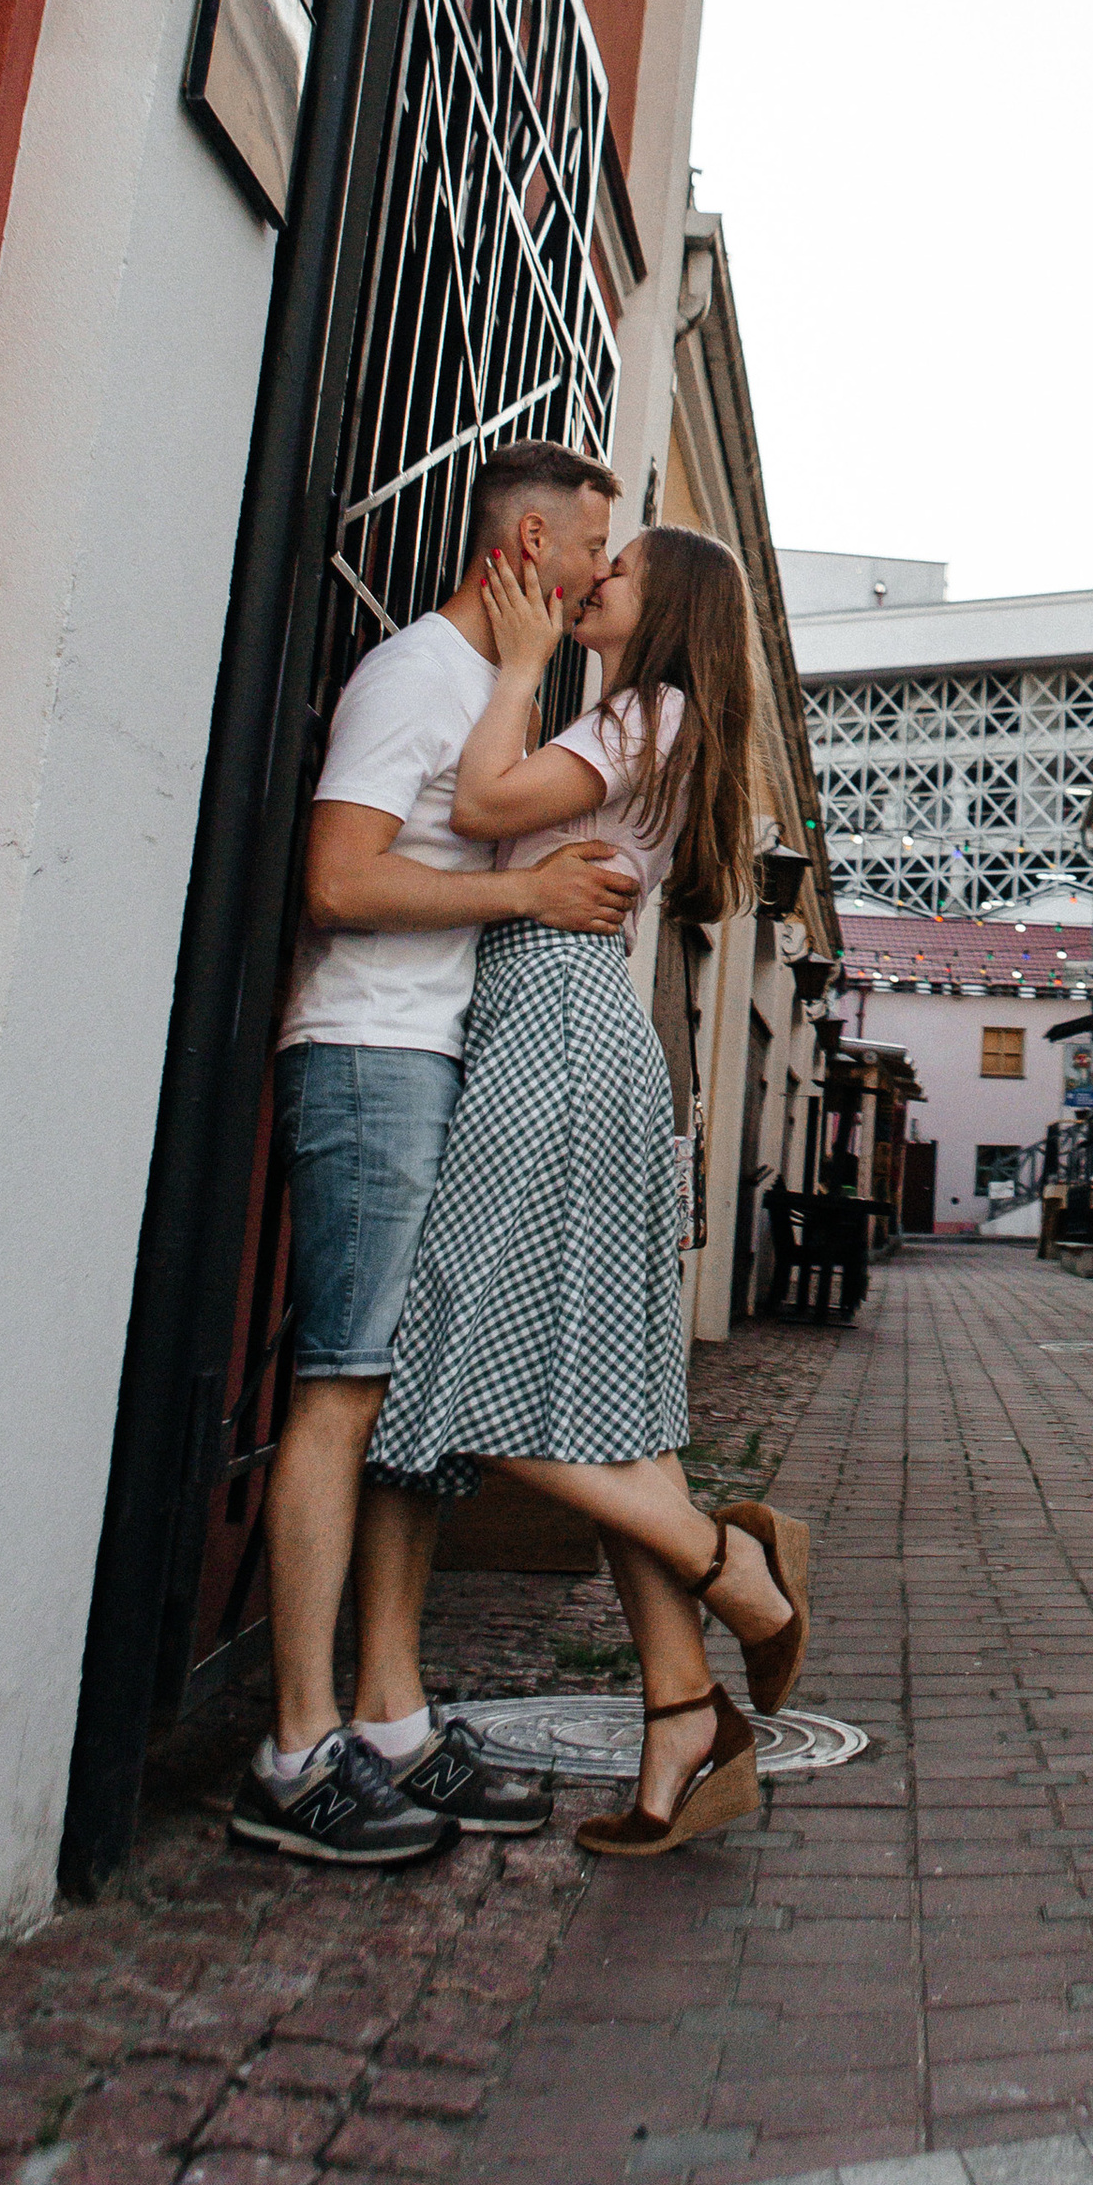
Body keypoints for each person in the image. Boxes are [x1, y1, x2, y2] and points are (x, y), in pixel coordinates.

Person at [368, 525, 812, 1859]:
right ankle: (683, 1717)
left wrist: (513, 665)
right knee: (609, 1399)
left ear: (663, 604)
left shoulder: (643, 709)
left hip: (551, 1035)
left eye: (616, 570)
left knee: (445, 1372)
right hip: (574, 1030)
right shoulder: (661, 722)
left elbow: (483, 806)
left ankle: (736, 1570)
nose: (589, 581)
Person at [231, 441, 636, 1870]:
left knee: (402, 1405)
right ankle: (293, 1751)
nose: (601, 576)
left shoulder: (496, 700)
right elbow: (337, 877)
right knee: (344, 1387)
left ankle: (391, 1719)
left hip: (442, 1058)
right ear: (526, 547)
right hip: (369, 1050)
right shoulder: (415, 674)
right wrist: (526, 890)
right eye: (593, 547)